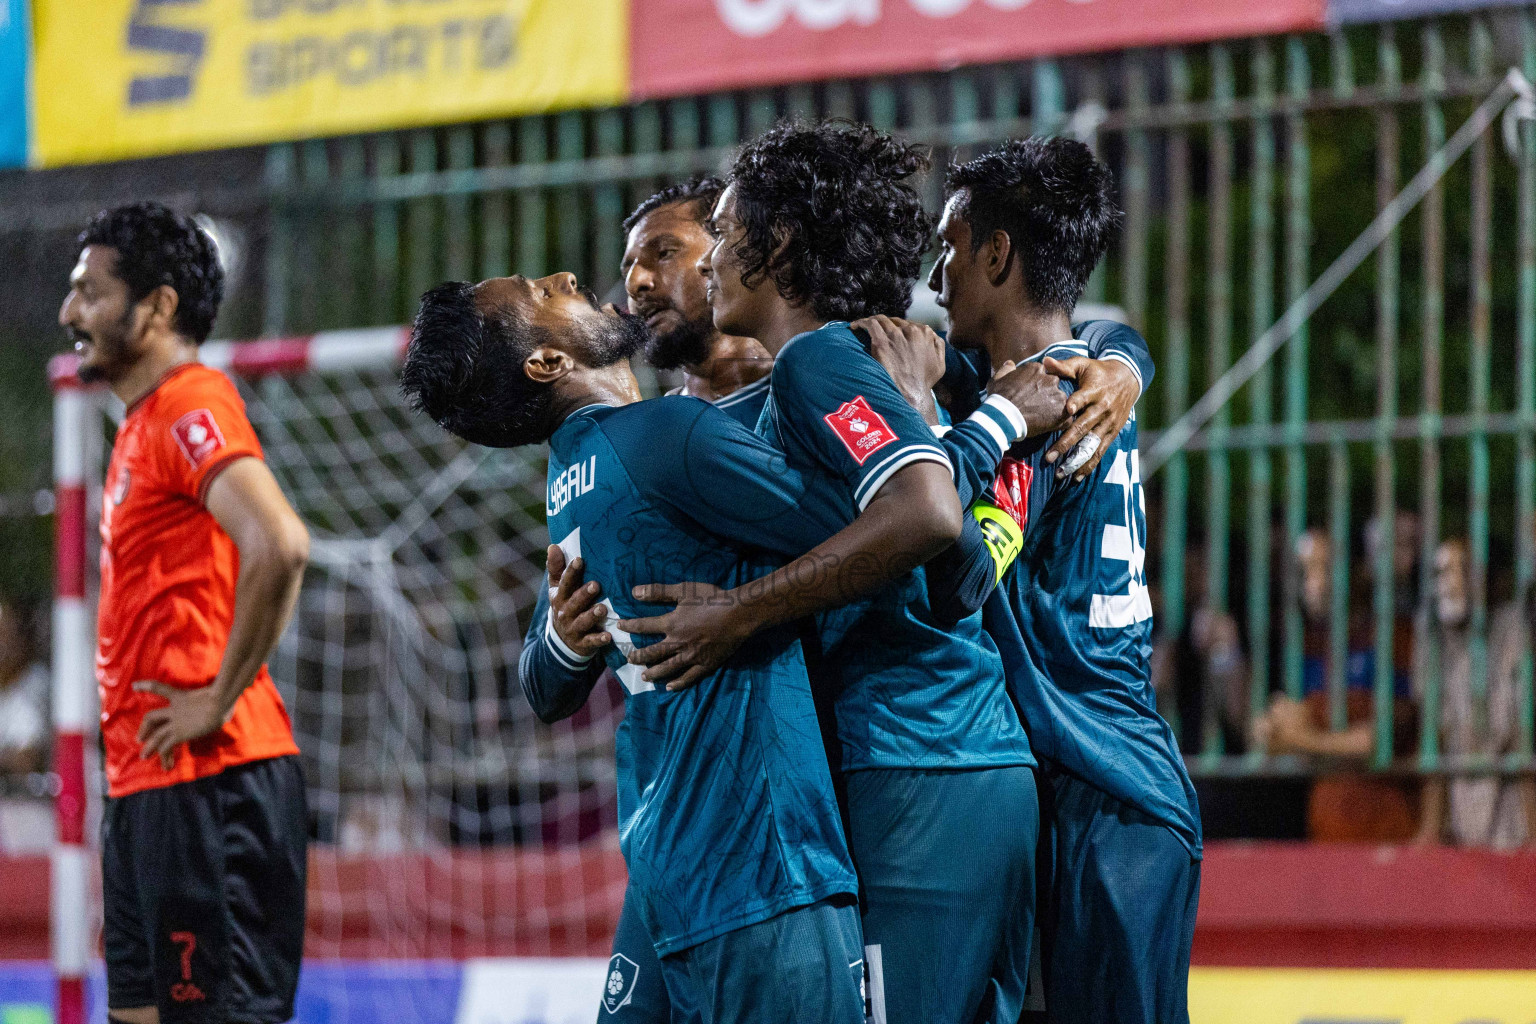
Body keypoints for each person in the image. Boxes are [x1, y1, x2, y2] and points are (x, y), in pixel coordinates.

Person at [613, 120, 1077, 1024]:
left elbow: (931, 518)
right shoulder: (856, 369)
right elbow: (953, 556)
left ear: (776, 247)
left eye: (729, 233)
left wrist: (741, 612)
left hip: (916, 764)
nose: (712, 262)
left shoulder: (817, 361)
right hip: (949, 765)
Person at [400, 272, 870, 1021]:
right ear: (547, 364)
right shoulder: (666, 435)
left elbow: (541, 687)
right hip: (763, 859)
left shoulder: (568, 480)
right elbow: (885, 523)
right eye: (541, 292)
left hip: (666, 867)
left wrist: (561, 640)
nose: (566, 278)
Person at [883, 137, 1202, 1024]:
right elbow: (1103, 336)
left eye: (950, 247)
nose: (937, 275)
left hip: (1110, 799)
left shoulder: (1046, 406)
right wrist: (1126, 356)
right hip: (1072, 786)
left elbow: (960, 578)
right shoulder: (1079, 370)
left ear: (997, 254)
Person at [59, 202, 311, 1024]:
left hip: (213, 784)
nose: (69, 314)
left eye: (90, 292)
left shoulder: (190, 404)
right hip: (147, 790)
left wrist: (220, 695)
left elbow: (279, 542)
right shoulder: (141, 422)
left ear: (158, 307)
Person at [621, 176, 774, 425]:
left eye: (664, 253)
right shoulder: (653, 434)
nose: (634, 283)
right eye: (626, 270)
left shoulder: (821, 388)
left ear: (730, 249)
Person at [1414, 538, 1535, 848]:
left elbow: (1522, 737)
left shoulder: (1512, 630)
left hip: (1510, 807)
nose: (1452, 584)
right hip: (1461, 803)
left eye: (1463, 570)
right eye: (1444, 572)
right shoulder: (1430, 634)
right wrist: (1430, 831)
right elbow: (1434, 737)